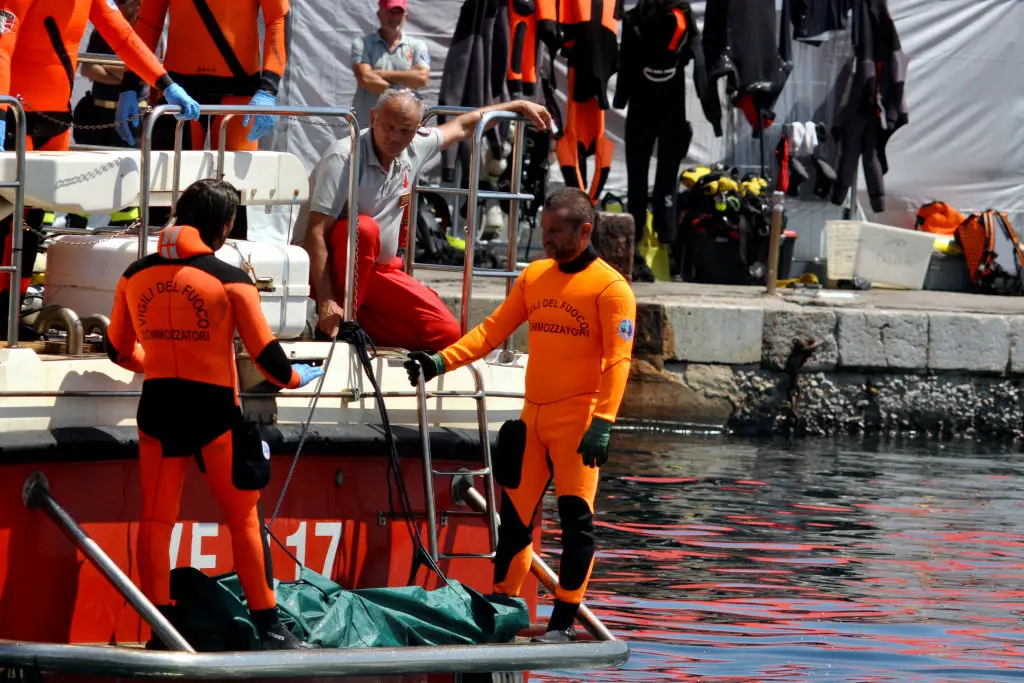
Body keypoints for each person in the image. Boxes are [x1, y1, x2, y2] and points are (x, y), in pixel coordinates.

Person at [403, 187, 637, 643]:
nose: (546, 240)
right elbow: (492, 331)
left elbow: (618, 361)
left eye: (556, 232)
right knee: (514, 522)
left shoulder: (612, 289)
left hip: (579, 423)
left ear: (584, 230)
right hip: (534, 419)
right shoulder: (535, 276)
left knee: (576, 522)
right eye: (543, 230)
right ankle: (504, 610)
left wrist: (603, 422)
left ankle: (563, 623)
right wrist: (439, 362)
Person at [105, 179, 323, 650]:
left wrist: (156, 367)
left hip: (158, 409)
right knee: (244, 520)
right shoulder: (230, 279)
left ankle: (160, 631)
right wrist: (298, 379)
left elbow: (117, 350)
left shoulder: (132, 275)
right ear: (224, 226)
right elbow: (269, 359)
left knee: (156, 521)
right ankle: (270, 629)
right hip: (214, 414)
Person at [0, 0, 201, 341]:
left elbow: (124, 36)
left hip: (56, 121)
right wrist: (1, 113)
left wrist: (164, 82)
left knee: (32, 224)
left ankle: (9, 312)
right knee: (5, 219)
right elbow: (3, 47)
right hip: (14, 115)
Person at [294, 87, 551, 352]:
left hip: (379, 270)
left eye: (404, 130)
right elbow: (316, 232)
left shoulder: (416, 147)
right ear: (372, 117)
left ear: (417, 128)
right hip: (326, 270)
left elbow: (464, 126)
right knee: (365, 228)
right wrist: (325, 301)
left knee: (447, 333)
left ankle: (358, 330)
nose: (393, 137)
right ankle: (341, 328)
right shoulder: (344, 156)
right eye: (387, 126)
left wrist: (517, 105)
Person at [119, 0, 291, 235]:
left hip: (238, 93)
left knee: (234, 194)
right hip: (178, 91)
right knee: (166, 190)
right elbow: (148, 23)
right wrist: (129, 83)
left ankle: (227, 266)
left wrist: (268, 88)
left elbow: (278, 22)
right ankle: (161, 264)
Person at [350, 0, 430, 130]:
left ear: (405, 16)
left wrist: (381, 73)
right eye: (390, 12)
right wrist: (405, 84)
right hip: (367, 125)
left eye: (398, 13)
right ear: (379, 14)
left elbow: (421, 78)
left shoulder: (417, 46)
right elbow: (365, 78)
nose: (394, 17)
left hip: (403, 127)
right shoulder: (362, 44)